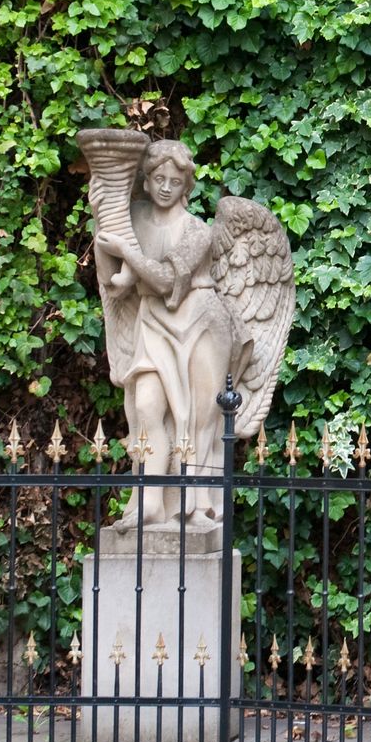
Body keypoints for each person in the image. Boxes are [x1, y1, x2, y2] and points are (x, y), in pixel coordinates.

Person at [93, 141, 241, 528]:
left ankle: (197, 507)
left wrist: (128, 252)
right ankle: (150, 499)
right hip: (153, 323)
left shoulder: (197, 232)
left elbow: (163, 279)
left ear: (186, 187)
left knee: (198, 421)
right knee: (145, 407)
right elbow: (118, 280)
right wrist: (101, 211)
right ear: (145, 181)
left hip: (199, 322)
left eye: (175, 181)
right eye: (158, 178)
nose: (164, 187)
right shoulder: (136, 219)